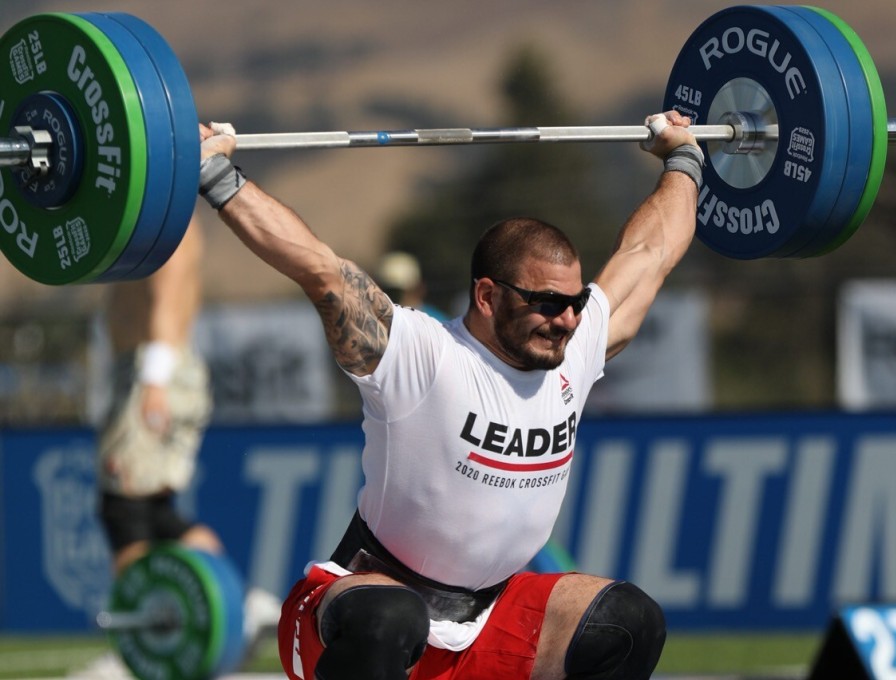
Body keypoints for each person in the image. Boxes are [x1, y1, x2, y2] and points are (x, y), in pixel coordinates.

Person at [197, 109, 702, 680]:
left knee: (629, 620)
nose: (565, 320)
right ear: (487, 296)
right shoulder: (424, 355)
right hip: (359, 615)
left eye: (573, 303)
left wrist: (683, 158)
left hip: (490, 617)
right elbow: (321, 271)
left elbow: (650, 254)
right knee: (392, 616)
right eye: (544, 303)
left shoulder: (573, 346)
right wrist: (216, 176)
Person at [94, 213, 280, 657]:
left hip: (153, 374)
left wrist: (153, 381)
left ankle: (137, 635)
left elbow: (167, 295)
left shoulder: (168, 225)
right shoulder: (156, 224)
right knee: (154, 508)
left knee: (124, 507)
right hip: (153, 371)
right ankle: (242, 603)